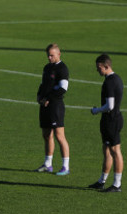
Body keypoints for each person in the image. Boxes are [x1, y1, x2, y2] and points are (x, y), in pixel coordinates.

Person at [88, 54, 124, 192]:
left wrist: (96, 110)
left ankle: (116, 184)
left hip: (112, 120)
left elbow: (110, 105)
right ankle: (102, 181)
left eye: (99, 68)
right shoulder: (117, 78)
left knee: (115, 151)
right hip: (110, 120)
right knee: (107, 150)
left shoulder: (110, 82)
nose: (98, 70)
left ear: (106, 66)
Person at [35, 43, 70, 175]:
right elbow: (43, 84)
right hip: (44, 105)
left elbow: (62, 89)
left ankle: (65, 166)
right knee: (46, 135)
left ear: (59, 54)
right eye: (48, 55)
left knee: (59, 136)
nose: (49, 58)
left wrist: (48, 98)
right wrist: (39, 96)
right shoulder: (47, 67)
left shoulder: (62, 69)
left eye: (52, 55)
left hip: (55, 106)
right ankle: (48, 164)